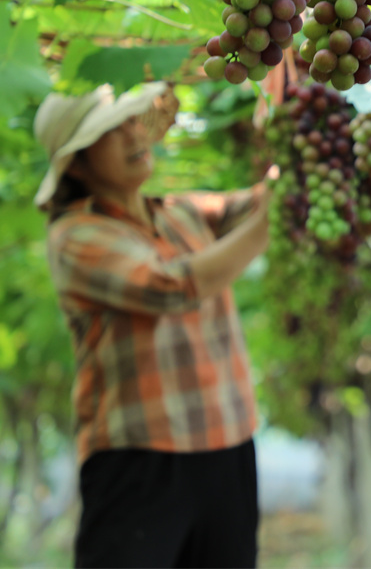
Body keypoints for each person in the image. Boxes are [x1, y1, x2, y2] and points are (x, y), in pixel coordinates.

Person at [32, 81, 271, 568]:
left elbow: (262, 199)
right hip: (137, 460)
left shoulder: (181, 213)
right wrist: (274, 217)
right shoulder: (75, 235)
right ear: (76, 163)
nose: (133, 134)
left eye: (133, 120)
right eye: (111, 131)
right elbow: (169, 287)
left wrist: (294, 130)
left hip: (228, 448)